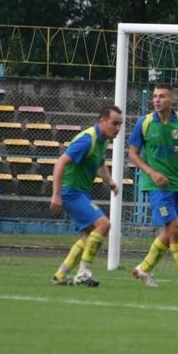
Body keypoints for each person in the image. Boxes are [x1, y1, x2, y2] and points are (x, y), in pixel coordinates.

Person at [128, 84, 178, 289]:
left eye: (162, 96)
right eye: (154, 97)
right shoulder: (145, 123)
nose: (157, 100)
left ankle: (143, 269)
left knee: (171, 232)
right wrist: (152, 172)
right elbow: (132, 153)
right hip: (155, 185)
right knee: (175, 228)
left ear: (172, 100)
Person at [49, 105, 124, 287]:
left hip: (79, 192)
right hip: (70, 191)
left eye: (120, 124)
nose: (118, 128)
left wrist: (110, 181)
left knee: (89, 234)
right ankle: (83, 273)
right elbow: (60, 163)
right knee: (103, 224)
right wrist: (56, 194)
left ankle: (61, 274)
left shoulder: (103, 140)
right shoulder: (87, 140)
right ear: (102, 121)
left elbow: (99, 162)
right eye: (114, 123)